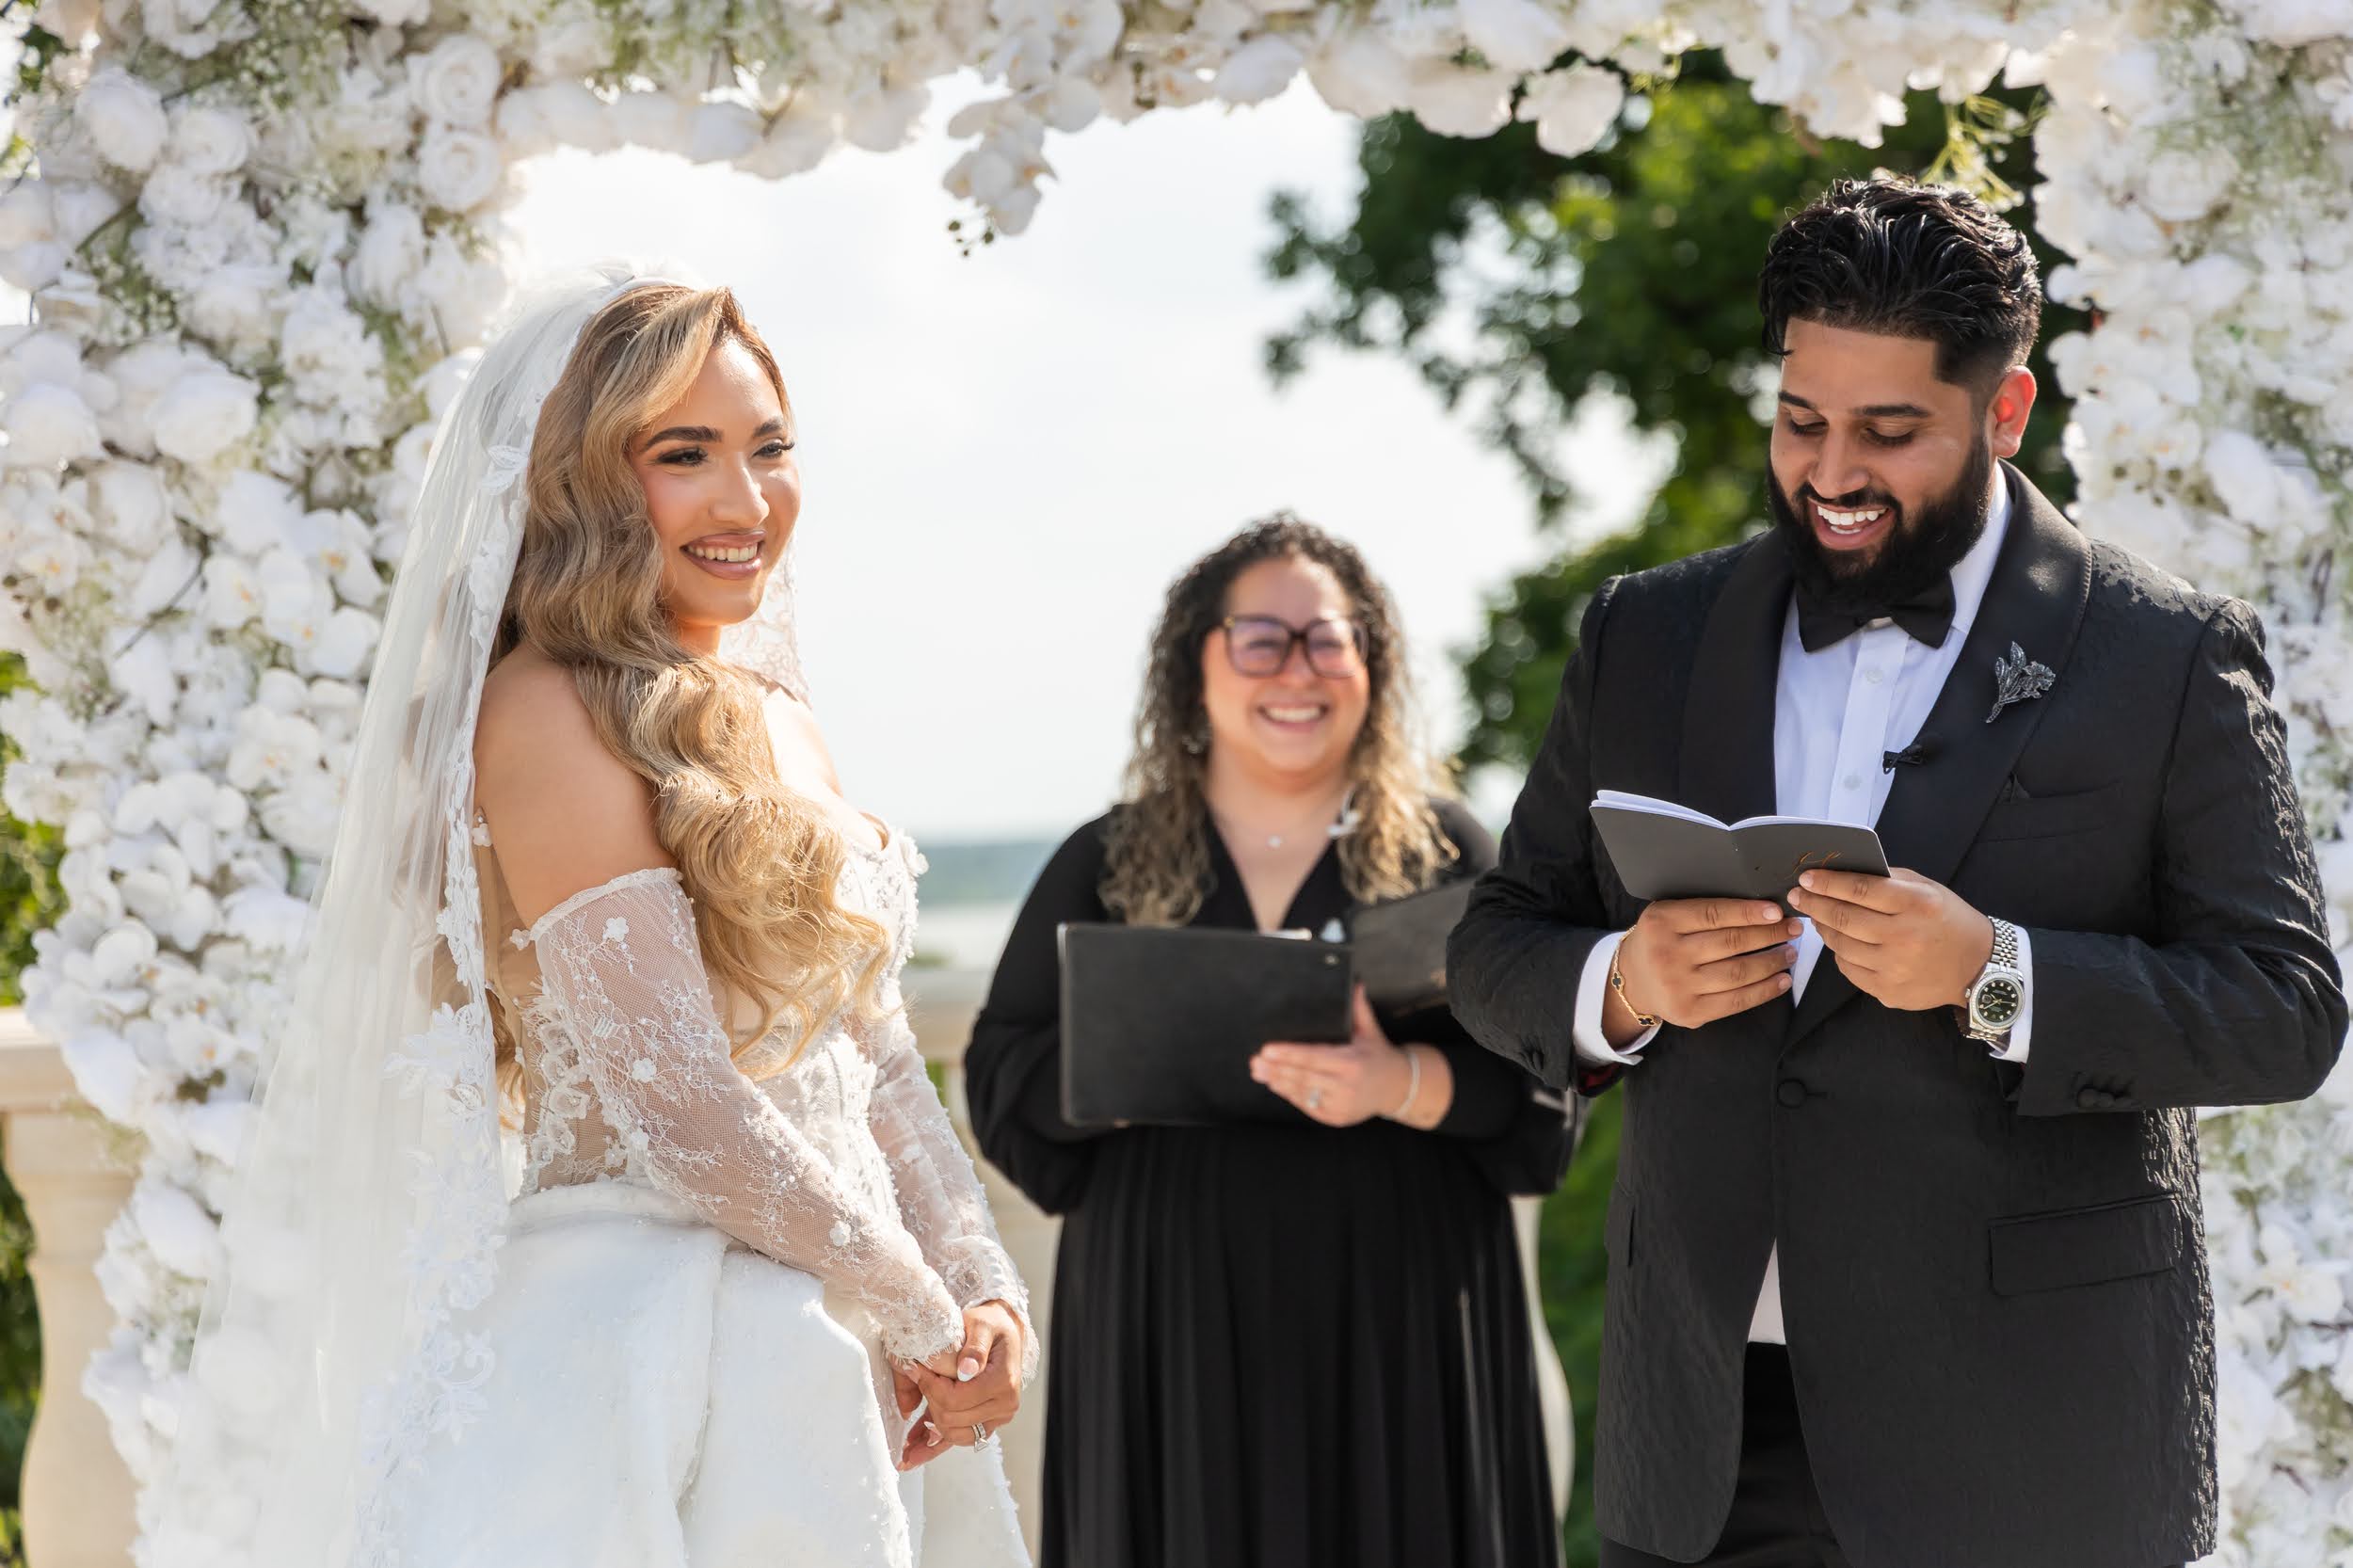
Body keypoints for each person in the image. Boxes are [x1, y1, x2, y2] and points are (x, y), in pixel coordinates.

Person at [1448, 176, 2348, 1568]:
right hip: (1701, 1445)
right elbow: (1497, 941)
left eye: (1887, 431)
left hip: (2032, 1448)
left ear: (2006, 410)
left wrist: (1997, 973)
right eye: (1800, 419)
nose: (1830, 472)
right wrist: (1621, 981)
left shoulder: (2166, 655)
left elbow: (2284, 1008)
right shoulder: (1645, 633)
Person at [157, 271, 1034, 1568]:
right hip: (653, 1348)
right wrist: (916, 1306)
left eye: (769, 448)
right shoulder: (548, 710)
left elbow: (881, 1063)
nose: (747, 502)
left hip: (829, 1350)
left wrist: (984, 1294)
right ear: (580, 480)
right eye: (684, 455)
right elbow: (679, 1097)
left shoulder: (783, 719)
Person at [965, 515, 1574, 1568]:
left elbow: (1541, 1105)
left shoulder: (1449, 853)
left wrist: (1398, 1080)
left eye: (1328, 639)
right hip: (1169, 1336)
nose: (1297, 669)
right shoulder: (1105, 862)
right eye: (1261, 639)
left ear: (1371, 664)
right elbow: (1001, 1086)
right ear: (1194, 662)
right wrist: (1148, 1053)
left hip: (1401, 1336)